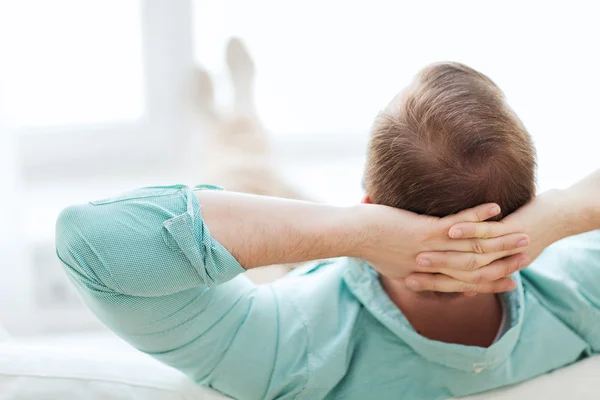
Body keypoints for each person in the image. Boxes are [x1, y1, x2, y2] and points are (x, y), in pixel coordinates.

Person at [55, 63, 600, 400]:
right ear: (522, 204)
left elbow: (90, 241)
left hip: (296, 281)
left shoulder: (293, 347)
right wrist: (565, 210)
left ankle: (235, 125)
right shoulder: (581, 295)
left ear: (367, 201)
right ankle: (239, 117)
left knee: (243, 179)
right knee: (268, 189)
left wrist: (354, 232)